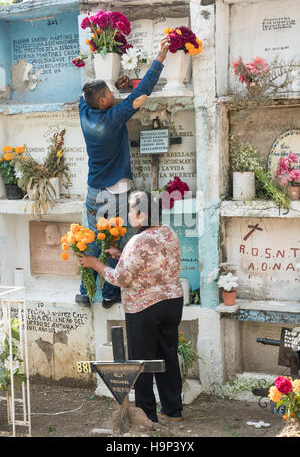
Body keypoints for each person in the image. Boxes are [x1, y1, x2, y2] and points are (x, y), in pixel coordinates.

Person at [76, 36, 170, 308]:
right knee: (114, 241)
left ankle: (84, 292)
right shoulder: (114, 117)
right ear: (104, 101)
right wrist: (159, 59)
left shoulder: (85, 111)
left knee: (92, 242)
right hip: (115, 193)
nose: (112, 94)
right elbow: (141, 95)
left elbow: (84, 96)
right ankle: (108, 294)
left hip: (95, 191)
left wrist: (109, 89)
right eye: (109, 93)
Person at [79, 191, 184, 423]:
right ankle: (173, 409)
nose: (128, 214)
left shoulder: (137, 242)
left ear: (143, 214)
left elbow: (121, 279)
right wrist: (120, 255)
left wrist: (96, 264)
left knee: (141, 361)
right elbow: (152, 262)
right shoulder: (168, 233)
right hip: (172, 303)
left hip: (145, 308)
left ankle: (146, 414)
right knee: (167, 355)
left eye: (131, 209)